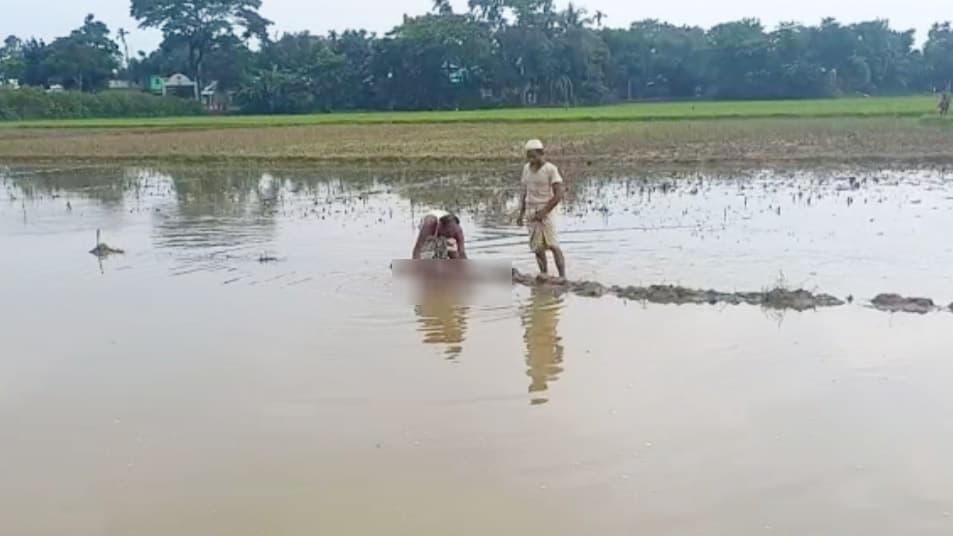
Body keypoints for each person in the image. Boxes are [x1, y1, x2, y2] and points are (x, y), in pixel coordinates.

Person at [517, 139, 566, 282]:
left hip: (546, 210)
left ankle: (562, 276)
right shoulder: (526, 168)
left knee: (553, 244)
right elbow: (524, 192)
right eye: (528, 156)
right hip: (531, 210)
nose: (531, 160)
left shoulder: (551, 169)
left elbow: (558, 194)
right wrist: (521, 213)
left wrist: (544, 212)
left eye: (533, 156)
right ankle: (544, 273)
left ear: (541, 154)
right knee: (537, 247)